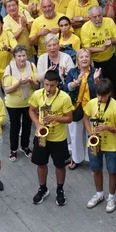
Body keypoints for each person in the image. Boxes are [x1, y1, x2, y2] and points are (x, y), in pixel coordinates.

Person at [29, 69, 75, 206]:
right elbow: (31, 110)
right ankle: (42, 188)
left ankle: (60, 189)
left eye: (52, 85)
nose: (49, 88)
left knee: (60, 166)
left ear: (57, 84)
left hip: (58, 138)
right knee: (41, 164)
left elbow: (69, 119)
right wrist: (37, 124)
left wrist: (55, 118)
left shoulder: (64, 98)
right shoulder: (38, 94)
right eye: (46, 85)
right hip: (41, 135)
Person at [84, 78, 116, 213]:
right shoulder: (92, 103)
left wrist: (107, 127)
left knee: (112, 171)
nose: (100, 99)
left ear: (109, 94)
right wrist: (90, 133)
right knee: (96, 169)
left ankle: (111, 197)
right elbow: (86, 118)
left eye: (103, 96)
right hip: (94, 141)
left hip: (111, 145)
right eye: (98, 95)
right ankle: (99, 194)